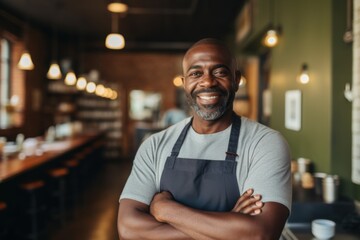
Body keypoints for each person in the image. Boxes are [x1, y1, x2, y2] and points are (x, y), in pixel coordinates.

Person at [117, 38, 291, 240]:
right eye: (195, 73)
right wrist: (230, 225)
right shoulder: (154, 145)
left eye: (220, 72)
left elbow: (260, 234)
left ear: (236, 79)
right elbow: (128, 231)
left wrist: (166, 210)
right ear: (184, 83)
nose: (207, 81)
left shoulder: (265, 143)